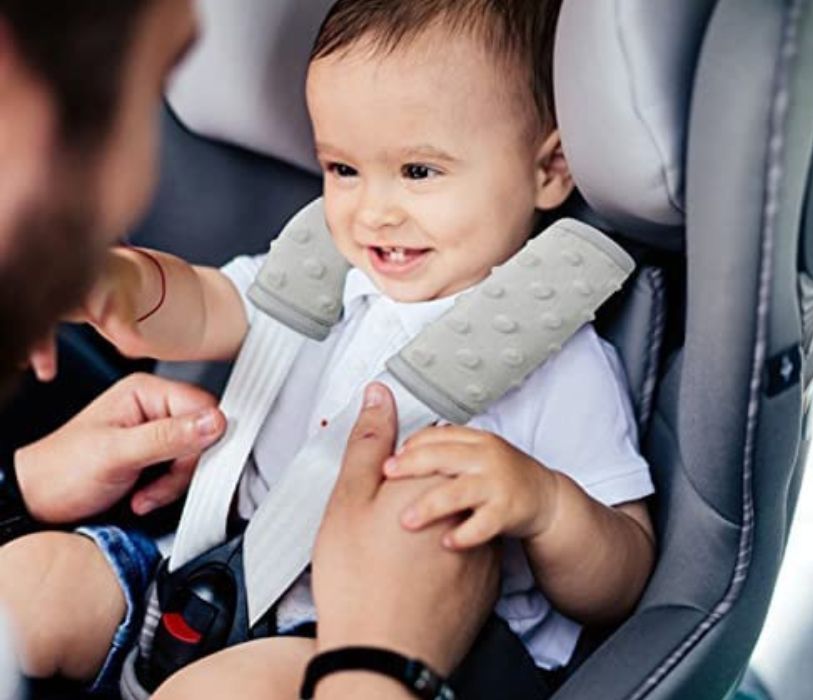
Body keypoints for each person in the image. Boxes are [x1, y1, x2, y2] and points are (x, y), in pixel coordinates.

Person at [4, 0, 657, 696]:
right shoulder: (330, 274)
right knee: (32, 581)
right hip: (211, 569)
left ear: (550, 169)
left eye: (417, 172)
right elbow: (206, 307)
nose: (371, 209)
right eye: (342, 169)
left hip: (367, 638)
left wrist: (548, 506)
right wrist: (119, 284)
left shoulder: (554, 359)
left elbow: (622, 574)